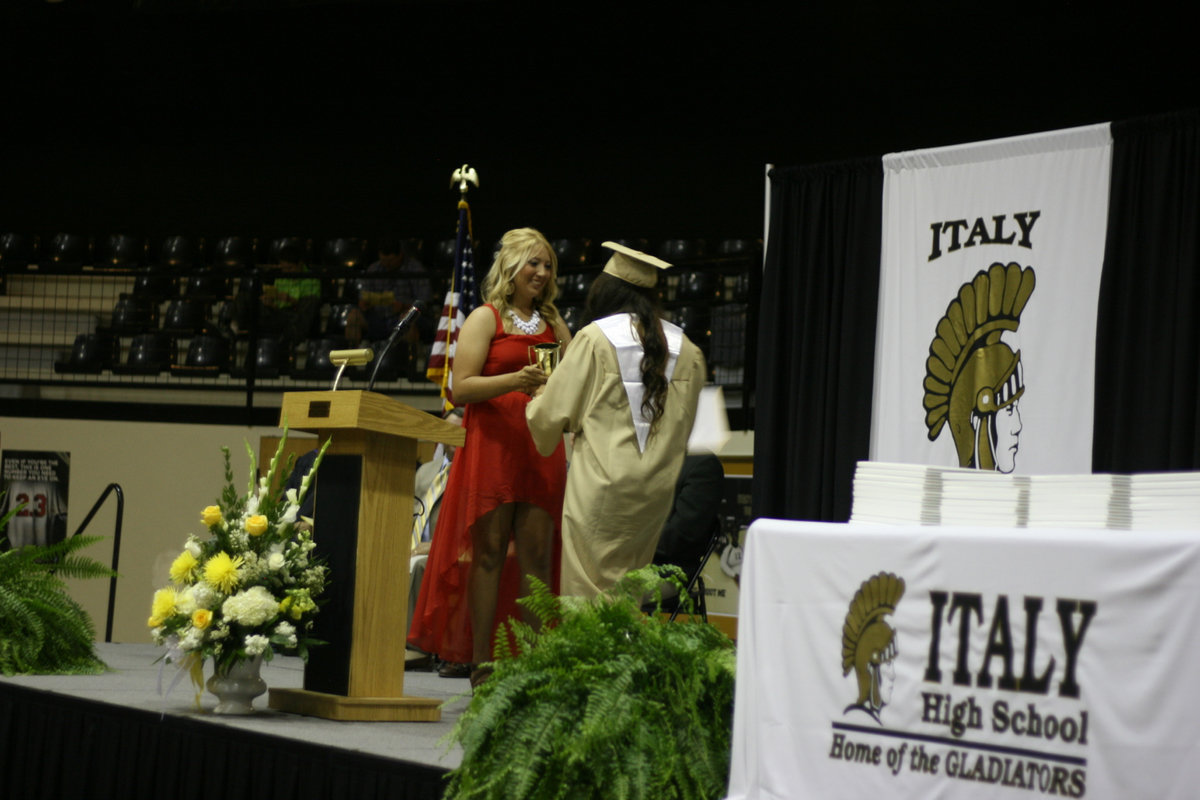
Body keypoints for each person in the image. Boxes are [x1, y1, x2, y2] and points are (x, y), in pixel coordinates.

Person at [408, 227, 571, 687]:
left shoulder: (555, 325)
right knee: (489, 555)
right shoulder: (485, 318)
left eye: (547, 265)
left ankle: (536, 666)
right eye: (533, 263)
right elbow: (461, 387)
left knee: (538, 557)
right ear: (511, 267)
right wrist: (514, 381)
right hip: (494, 448)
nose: (541, 273)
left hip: (541, 449)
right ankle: (484, 664)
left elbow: (570, 383)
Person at [526, 241, 707, 598]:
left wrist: (540, 396)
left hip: (600, 486)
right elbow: (688, 423)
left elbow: (552, 415)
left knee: (587, 592)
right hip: (654, 491)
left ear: (606, 290)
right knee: (630, 591)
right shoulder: (686, 348)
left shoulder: (596, 339)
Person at [229, 242, 322, 345]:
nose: (286, 271)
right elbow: (276, 306)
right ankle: (234, 328)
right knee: (244, 297)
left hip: (294, 317)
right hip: (277, 314)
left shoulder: (312, 280)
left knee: (306, 307)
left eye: (290, 268)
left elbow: (308, 308)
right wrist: (270, 303)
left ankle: (289, 338)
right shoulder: (280, 276)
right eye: (283, 268)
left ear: (300, 264)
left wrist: (290, 300)